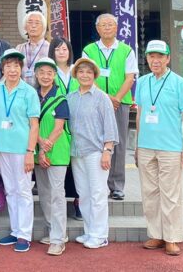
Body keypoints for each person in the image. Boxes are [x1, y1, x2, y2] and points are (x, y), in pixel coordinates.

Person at [135, 40, 183, 257]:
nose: (155, 60)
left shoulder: (180, 83)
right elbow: (140, 114)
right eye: (151, 56)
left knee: (171, 194)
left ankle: (171, 238)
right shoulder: (142, 82)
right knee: (149, 193)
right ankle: (156, 234)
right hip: (146, 146)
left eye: (160, 56)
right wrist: (137, 146)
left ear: (168, 58)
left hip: (171, 147)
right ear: (147, 59)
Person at [81, 13, 138, 201]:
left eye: (110, 25)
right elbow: (86, 74)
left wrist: (117, 99)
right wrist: (106, 98)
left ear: (116, 27)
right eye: (103, 25)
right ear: (97, 29)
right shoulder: (89, 50)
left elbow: (130, 77)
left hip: (120, 104)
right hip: (94, 101)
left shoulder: (126, 50)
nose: (106, 28)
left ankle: (117, 186)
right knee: (97, 142)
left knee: (118, 143)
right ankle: (99, 184)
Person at [0, 49, 39, 253]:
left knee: (23, 190)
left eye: (16, 66)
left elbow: (34, 124)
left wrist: (30, 151)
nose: (12, 70)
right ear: (3, 68)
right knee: (10, 189)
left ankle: (25, 234)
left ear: (21, 68)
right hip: (1, 146)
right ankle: (15, 229)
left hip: (21, 148)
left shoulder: (29, 91)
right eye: (8, 66)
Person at [66, 57, 119, 250]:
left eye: (89, 72)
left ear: (94, 75)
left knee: (97, 193)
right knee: (84, 194)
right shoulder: (71, 97)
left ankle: (100, 235)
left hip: (96, 151)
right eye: (81, 72)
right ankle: (89, 231)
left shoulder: (101, 98)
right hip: (76, 152)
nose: (85, 75)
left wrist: (107, 150)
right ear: (76, 75)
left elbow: (110, 126)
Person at [33, 57, 71, 256]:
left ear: (55, 75)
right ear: (36, 75)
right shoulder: (33, 96)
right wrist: (39, 143)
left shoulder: (61, 97)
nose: (45, 76)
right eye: (42, 73)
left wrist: (45, 147)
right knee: (45, 194)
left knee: (57, 194)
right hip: (39, 150)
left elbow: (59, 127)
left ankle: (58, 239)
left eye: (50, 73)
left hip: (56, 150)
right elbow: (31, 122)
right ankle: (53, 230)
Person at [48, 38, 81, 221]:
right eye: (58, 49)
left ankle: (78, 201)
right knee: (61, 163)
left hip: (77, 122)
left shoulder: (77, 70)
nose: (61, 52)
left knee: (77, 164)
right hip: (56, 122)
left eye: (65, 49)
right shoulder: (48, 71)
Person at [16, 11, 50, 88]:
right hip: (22, 93)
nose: (33, 26)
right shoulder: (19, 48)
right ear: (25, 27)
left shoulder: (50, 48)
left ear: (43, 27)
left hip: (43, 94)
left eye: (37, 23)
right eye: (30, 22)